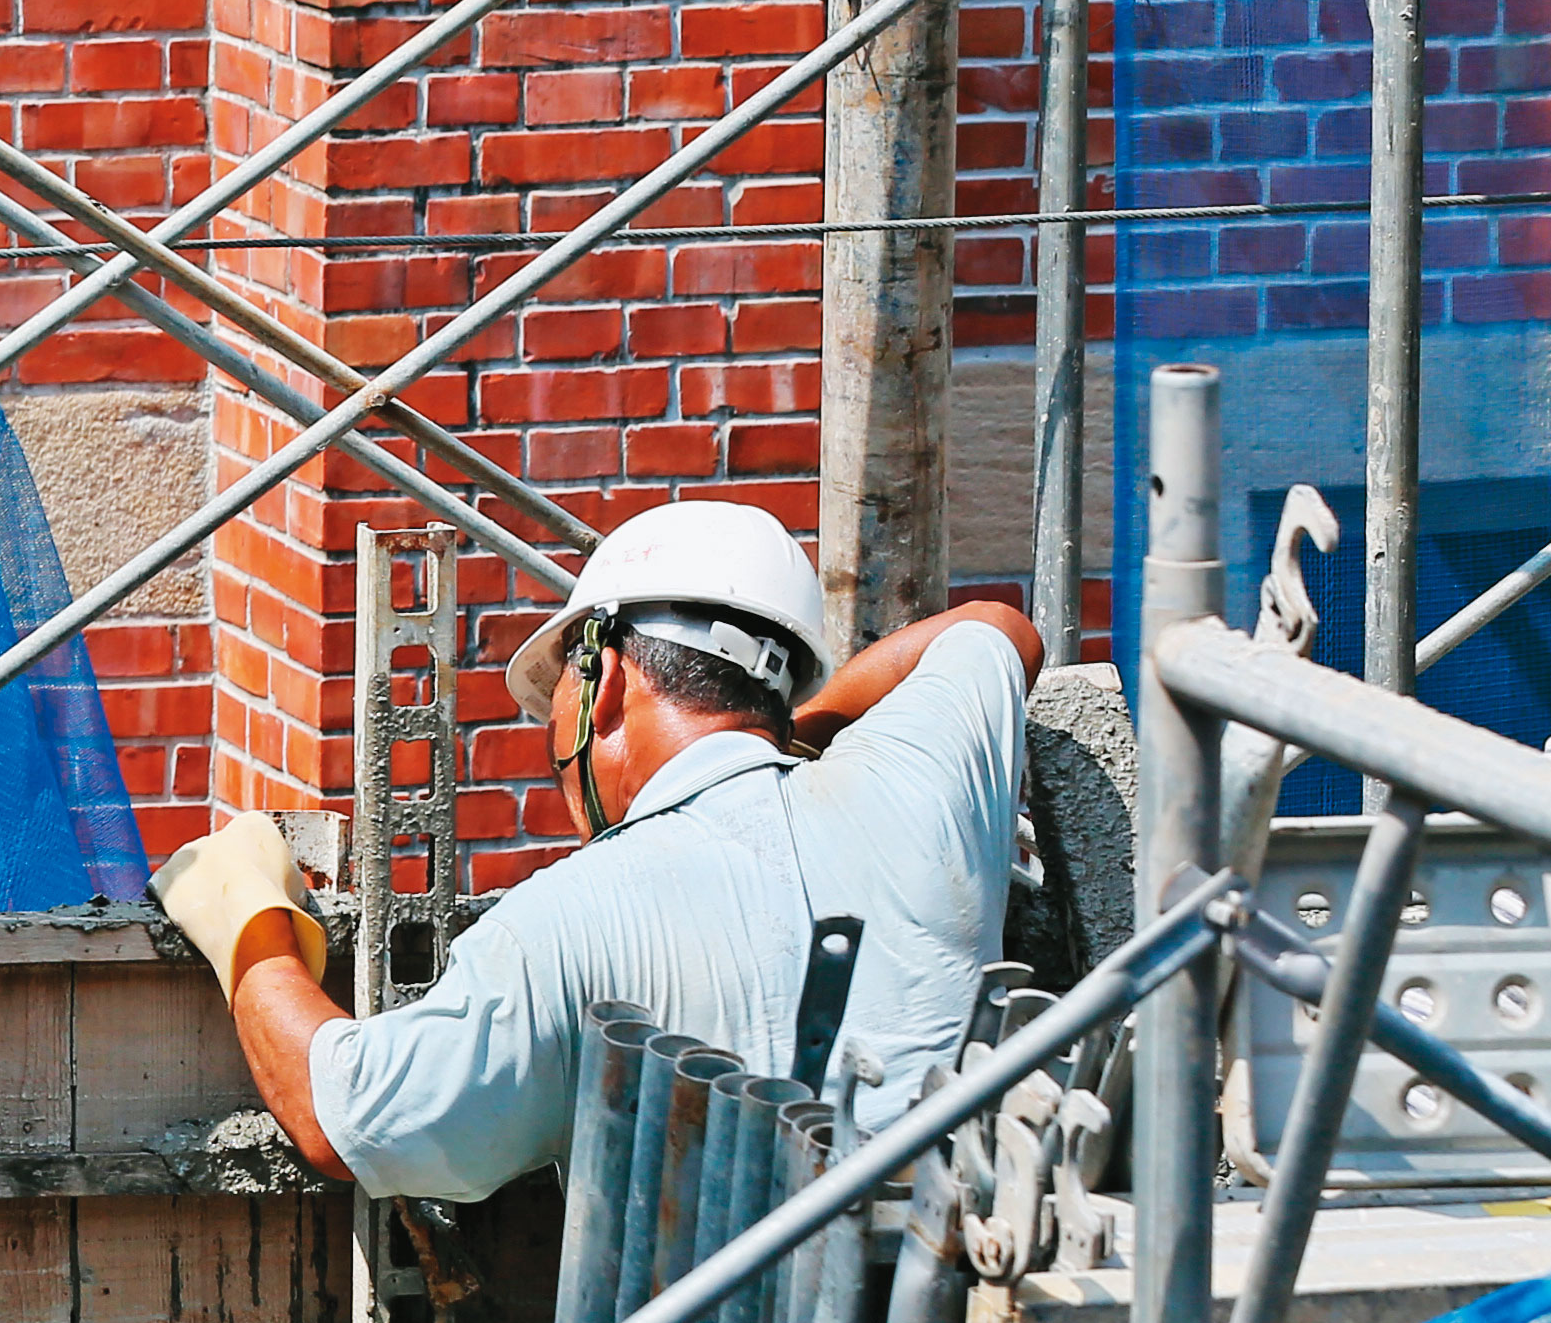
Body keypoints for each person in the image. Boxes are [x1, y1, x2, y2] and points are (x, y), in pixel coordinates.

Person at [150, 500, 1046, 1202]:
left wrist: (253, 924)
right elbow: (996, 630)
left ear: (602, 677)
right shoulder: (919, 789)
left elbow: (342, 1115)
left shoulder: (567, 918)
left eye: (557, 696)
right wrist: (793, 743)